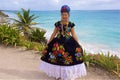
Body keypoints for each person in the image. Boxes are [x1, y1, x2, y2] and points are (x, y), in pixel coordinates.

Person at [40, 5, 87, 80]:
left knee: (67, 59)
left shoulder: (71, 24)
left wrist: (78, 43)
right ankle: (58, 74)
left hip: (69, 42)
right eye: (63, 15)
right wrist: (49, 42)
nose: (64, 16)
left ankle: (65, 75)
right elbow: (54, 33)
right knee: (57, 59)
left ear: (68, 15)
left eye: (66, 15)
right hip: (58, 44)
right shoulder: (57, 24)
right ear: (61, 15)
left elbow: (74, 34)